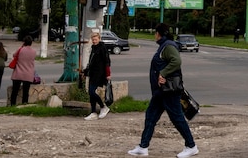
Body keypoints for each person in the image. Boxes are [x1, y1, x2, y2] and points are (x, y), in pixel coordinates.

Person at [128, 22, 199, 158]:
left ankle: (191, 146)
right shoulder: (163, 46)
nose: (155, 35)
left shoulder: (168, 46)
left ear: (159, 34)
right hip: (160, 92)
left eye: (155, 33)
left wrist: (163, 73)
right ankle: (143, 147)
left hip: (169, 91)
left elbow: (176, 61)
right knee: (150, 116)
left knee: (177, 118)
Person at [83, 29, 111, 120]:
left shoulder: (102, 48)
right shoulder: (93, 48)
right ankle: (93, 112)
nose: (94, 41)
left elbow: (107, 61)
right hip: (92, 73)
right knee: (91, 93)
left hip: (99, 73)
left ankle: (103, 107)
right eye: (93, 39)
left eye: (96, 39)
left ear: (99, 39)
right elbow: (91, 62)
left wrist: (108, 74)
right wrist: (86, 71)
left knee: (91, 91)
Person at [10, 36, 37, 106]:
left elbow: (14, 55)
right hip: (28, 74)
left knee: (15, 91)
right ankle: (24, 104)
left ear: (24, 42)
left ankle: (12, 104)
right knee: (26, 91)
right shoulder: (34, 51)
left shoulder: (20, 49)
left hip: (18, 73)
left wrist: (21, 46)